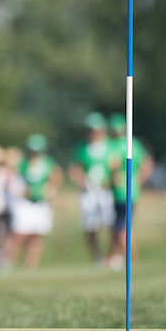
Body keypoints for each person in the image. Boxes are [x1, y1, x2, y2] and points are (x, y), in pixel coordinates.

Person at [105, 113, 153, 271]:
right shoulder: (134, 144)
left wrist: (113, 178)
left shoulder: (112, 146)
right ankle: (112, 258)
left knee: (121, 228)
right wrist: (137, 181)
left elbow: (112, 166)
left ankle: (132, 260)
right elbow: (147, 165)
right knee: (122, 225)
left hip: (120, 193)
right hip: (133, 192)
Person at [67, 112, 115, 265]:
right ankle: (96, 258)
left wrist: (111, 179)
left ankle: (112, 256)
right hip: (88, 192)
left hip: (106, 190)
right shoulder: (82, 148)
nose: (93, 133)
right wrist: (81, 181)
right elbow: (74, 169)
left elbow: (117, 166)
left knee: (111, 225)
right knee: (90, 226)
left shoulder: (110, 146)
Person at [9, 134, 63, 268]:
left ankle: (30, 265)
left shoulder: (48, 163)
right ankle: (8, 264)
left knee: (36, 236)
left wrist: (52, 189)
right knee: (19, 235)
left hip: (41, 203)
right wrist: (21, 191)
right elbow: (14, 182)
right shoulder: (23, 164)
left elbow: (57, 176)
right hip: (25, 203)